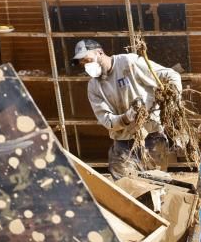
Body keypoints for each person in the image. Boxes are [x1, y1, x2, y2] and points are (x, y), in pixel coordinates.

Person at [72, 39, 182, 177]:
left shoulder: (129, 63)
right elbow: (107, 120)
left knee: (156, 185)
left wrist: (172, 101)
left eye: (87, 60)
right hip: (123, 143)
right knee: (126, 187)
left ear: (99, 52)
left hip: (152, 137)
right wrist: (126, 117)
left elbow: (170, 75)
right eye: (82, 63)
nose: (85, 65)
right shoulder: (94, 87)